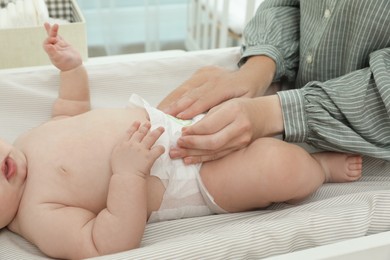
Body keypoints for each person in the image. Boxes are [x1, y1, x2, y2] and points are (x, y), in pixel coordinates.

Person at [0, 23, 363, 259]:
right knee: (279, 169)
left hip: (173, 121)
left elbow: (71, 110)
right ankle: (319, 167)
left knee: (223, 84)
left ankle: (281, 112)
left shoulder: (26, 141)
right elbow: (104, 243)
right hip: (188, 179)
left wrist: (72, 69)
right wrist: (127, 176)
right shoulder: (37, 216)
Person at [158, 1, 390, 165]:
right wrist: (258, 68)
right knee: (205, 84)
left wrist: (276, 113)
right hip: (290, 96)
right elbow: (290, 5)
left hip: (362, 139)